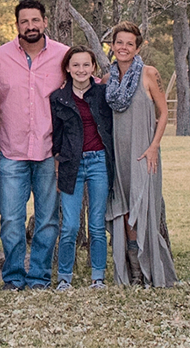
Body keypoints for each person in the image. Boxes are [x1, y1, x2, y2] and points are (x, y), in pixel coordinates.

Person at [0, 0, 69, 289]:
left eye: (35, 20)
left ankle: (38, 277)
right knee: (10, 219)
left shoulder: (63, 56)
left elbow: (85, 85)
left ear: (45, 22)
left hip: (50, 152)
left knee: (47, 220)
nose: (31, 26)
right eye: (24, 21)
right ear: (17, 25)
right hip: (13, 151)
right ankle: (13, 277)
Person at [105, 20, 176, 287]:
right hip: (117, 154)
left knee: (141, 210)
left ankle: (151, 271)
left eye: (129, 43)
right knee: (123, 212)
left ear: (138, 47)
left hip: (144, 153)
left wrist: (154, 146)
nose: (123, 47)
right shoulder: (107, 79)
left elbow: (164, 112)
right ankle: (132, 273)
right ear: (112, 46)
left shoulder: (148, 74)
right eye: (119, 42)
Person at [50, 46, 114, 291]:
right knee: (70, 226)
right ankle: (64, 277)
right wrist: (57, 163)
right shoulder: (59, 98)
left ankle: (98, 277)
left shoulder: (103, 94)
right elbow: (56, 135)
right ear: (67, 68)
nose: (81, 70)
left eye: (86, 65)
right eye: (75, 65)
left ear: (93, 68)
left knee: (96, 223)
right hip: (70, 163)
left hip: (99, 161)